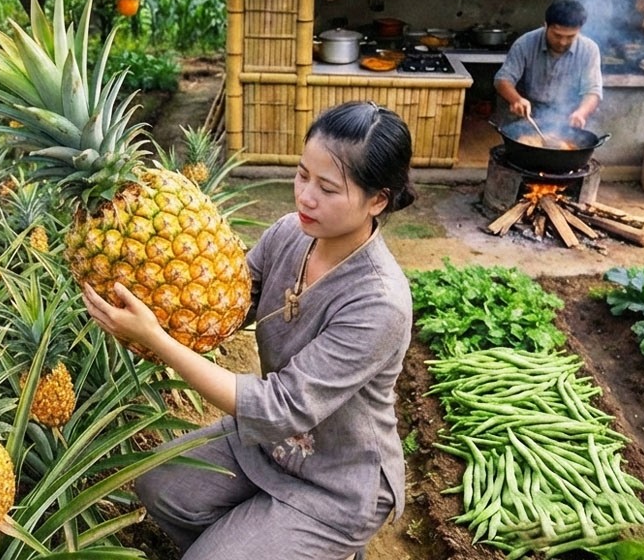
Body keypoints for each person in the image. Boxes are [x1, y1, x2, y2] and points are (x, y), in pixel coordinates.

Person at [82, 101, 416, 560]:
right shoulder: (289, 234)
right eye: (302, 175)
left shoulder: (380, 302)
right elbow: (230, 305)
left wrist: (156, 338)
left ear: (377, 199)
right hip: (266, 444)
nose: (305, 197)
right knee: (159, 486)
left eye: (328, 188)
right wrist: (149, 278)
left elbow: (281, 407)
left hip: (337, 481)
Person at [494, 0, 603, 129]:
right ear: (545, 25)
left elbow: (593, 90)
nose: (563, 42)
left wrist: (581, 113)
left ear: (579, 30)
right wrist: (517, 100)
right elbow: (502, 79)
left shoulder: (589, 49)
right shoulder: (524, 43)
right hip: (529, 112)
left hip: (568, 114)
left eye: (570, 36)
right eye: (557, 35)